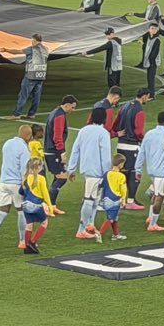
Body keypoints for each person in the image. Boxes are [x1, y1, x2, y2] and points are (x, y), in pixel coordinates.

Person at [65, 101, 114, 241]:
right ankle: (81, 229)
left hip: (87, 170)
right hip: (97, 171)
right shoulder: (103, 133)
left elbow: (75, 150)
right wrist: (107, 174)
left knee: (94, 200)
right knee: (89, 200)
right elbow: (105, 155)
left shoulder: (83, 130)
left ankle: (89, 225)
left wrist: (71, 169)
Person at [0, 123, 36, 251]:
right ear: (28, 135)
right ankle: (22, 241)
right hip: (16, 183)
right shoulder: (24, 149)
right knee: (21, 211)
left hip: (3, 182)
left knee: (2, 211)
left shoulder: (7, 143)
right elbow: (24, 169)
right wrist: (26, 186)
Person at [13, 34, 50, 120]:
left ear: (34, 40)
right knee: (36, 97)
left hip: (31, 74)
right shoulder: (46, 49)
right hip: (41, 75)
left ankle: (16, 114)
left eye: (32, 41)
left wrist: (6, 50)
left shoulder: (31, 49)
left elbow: (18, 52)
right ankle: (32, 114)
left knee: (23, 95)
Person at [142, 22, 164, 97]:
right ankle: (149, 92)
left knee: (151, 78)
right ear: (149, 29)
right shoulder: (149, 37)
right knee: (149, 78)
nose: (154, 30)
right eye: (152, 28)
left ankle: (152, 95)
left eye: (155, 29)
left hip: (152, 62)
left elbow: (154, 53)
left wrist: (150, 62)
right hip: (149, 61)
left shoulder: (157, 40)